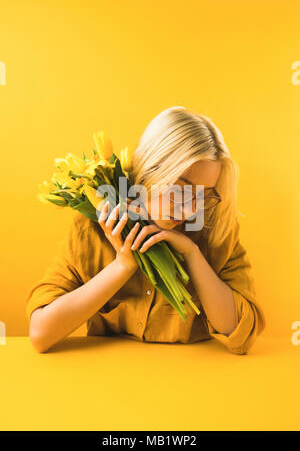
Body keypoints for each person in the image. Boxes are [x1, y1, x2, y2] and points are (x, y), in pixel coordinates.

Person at [26, 106, 265, 355]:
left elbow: (242, 336)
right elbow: (41, 334)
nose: (188, 212)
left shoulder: (215, 230)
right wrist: (122, 266)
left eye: (202, 197)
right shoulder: (94, 227)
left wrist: (192, 254)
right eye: (179, 191)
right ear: (150, 172)